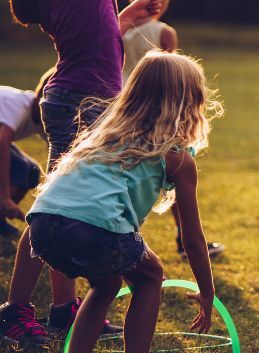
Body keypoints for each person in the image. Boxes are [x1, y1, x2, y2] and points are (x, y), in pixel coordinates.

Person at [0, 0, 242, 345]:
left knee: (55, 202)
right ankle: (25, 308)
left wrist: (126, 17)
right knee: (55, 204)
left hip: (69, 95)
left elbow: (91, 36)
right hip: (83, 101)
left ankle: (54, 307)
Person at [26, 51, 221, 353]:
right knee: (150, 276)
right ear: (190, 102)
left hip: (41, 224)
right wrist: (207, 292)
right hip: (93, 230)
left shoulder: (103, 134)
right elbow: (192, 238)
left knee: (105, 285)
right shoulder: (176, 157)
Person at [121, 0, 226, 259]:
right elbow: (173, 75)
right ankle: (187, 239)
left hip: (126, 107)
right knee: (177, 172)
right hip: (161, 112)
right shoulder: (164, 32)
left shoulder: (121, 30)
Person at [0, 70, 54, 239]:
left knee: (31, 171)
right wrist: (5, 196)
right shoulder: (18, 105)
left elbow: (57, 154)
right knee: (22, 167)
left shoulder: (45, 116)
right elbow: (1, 144)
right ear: (39, 97)